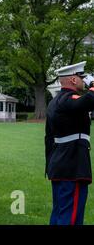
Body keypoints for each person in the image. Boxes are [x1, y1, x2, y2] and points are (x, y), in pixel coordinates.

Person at [45, 61, 94, 225]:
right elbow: (89, 100)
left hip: (59, 165)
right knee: (70, 217)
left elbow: (48, 138)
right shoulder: (68, 99)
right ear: (74, 80)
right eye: (82, 77)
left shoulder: (54, 102)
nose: (84, 80)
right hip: (72, 166)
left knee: (60, 213)